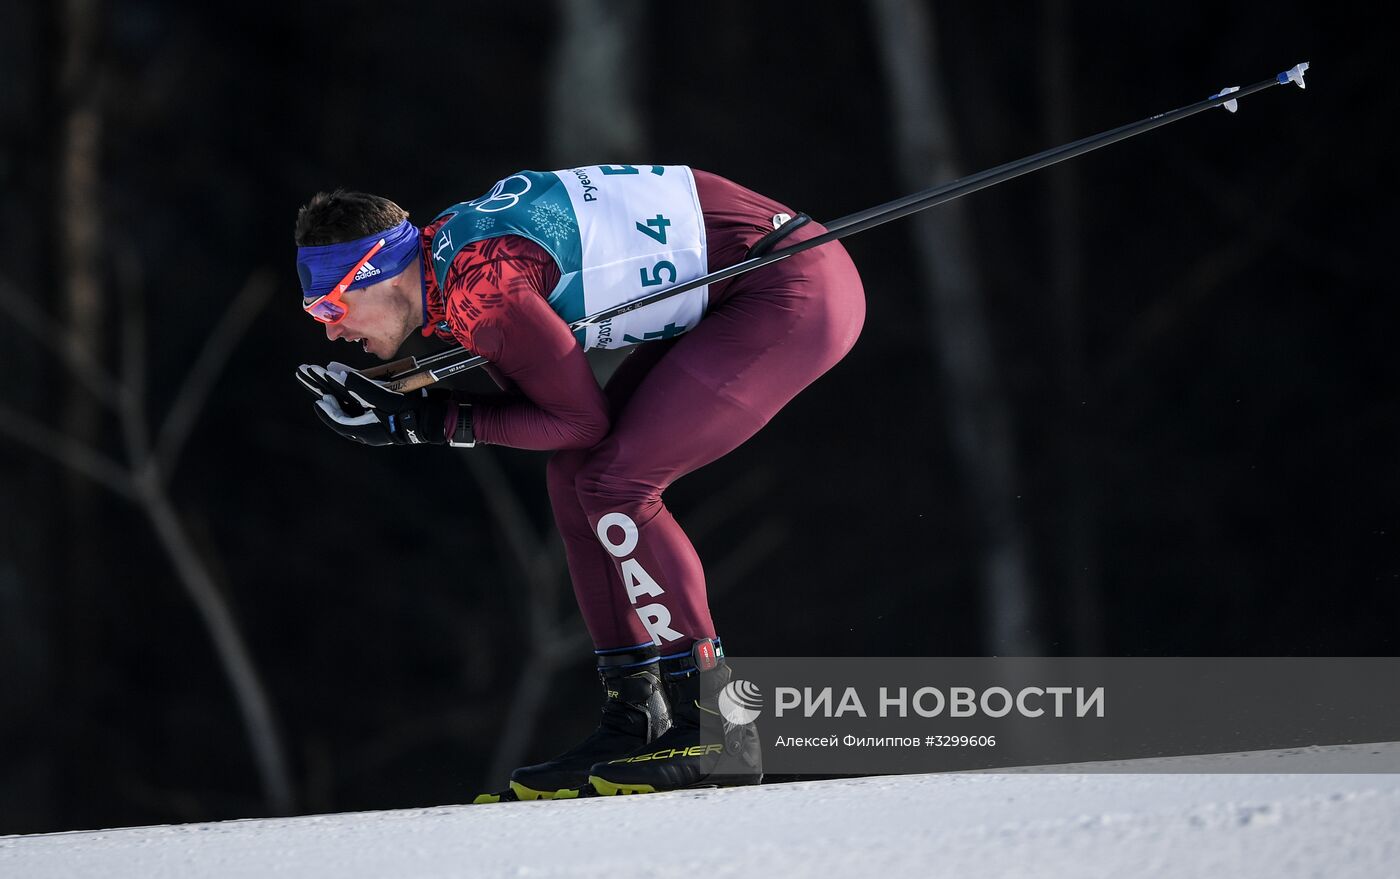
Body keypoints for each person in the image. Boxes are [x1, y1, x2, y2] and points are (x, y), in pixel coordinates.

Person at [294, 164, 865, 799]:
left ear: (375, 271)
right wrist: (414, 411)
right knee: (576, 480)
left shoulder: (482, 288)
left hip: (788, 287)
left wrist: (422, 421)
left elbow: (575, 421)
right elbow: (559, 428)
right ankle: (635, 718)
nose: (330, 328)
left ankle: (721, 729)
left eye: (330, 303)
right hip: (745, 281)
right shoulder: (456, 260)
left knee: (615, 484)